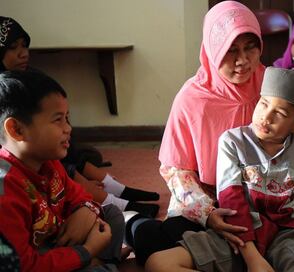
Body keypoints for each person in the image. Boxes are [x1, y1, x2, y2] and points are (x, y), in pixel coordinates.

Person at [145, 67, 294, 272]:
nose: (266, 117)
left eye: (279, 113)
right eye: (263, 104)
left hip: (287, 233)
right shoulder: (233, 141)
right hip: (238, 233)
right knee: (158, 263)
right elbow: (231, 200)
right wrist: (253, 259)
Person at [125, 1, 266, 265]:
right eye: (231, 50)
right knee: (157, 243)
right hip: (206, 199)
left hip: (263, 193)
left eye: (250, 47)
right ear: (213, 49)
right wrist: (209, 214)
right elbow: (176, 171)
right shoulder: (192, 98)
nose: (243, 61)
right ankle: (133, 224)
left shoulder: (271, 86)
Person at [0, 16, 160, 217]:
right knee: (59, 157)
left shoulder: (28, 76)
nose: (23, 53)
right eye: (14, 48)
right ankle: (109, 200)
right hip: (23, 154)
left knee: (75, 146)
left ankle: (111, 187)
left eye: (25, 45)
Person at [0, 70, 127, 271]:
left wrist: (86, 210)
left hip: (58, 242)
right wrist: (87, 250)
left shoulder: (50, 163)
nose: (68, 128)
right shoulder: (5, 190)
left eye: (67, 118)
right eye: (58, 120)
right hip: (37, 259)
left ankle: (102, 263)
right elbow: (23, 265)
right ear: (17, 130)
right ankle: (101, 263)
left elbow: (81, 195)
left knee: (112, 214)